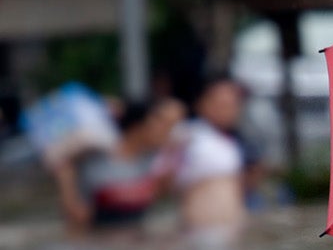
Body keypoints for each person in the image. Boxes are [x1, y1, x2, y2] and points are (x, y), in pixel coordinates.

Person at [49, 98, 184, 232]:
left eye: (171, 125)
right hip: (100, 243)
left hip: (136, 240)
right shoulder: (95, 162)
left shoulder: (152, 162)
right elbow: (77, 218)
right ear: (140, 125)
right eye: (164, 124)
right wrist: (65, 177)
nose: (169, 131)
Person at [174, 77, 248, 234]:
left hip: (231, 226)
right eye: (222, 105)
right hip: (201, 227)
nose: (229, 111)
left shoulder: (229, 141)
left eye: (233, 105)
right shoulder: (187, 134)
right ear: (203, 104)